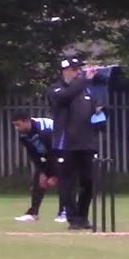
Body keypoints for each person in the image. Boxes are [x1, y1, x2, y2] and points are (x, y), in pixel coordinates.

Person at [46, 56, 100, 230]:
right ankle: (72, 218)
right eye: (75, 70)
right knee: (67, 183)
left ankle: (83, 217)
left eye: (79, 70)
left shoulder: (85, 91)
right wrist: (85, 80)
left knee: (88, 182)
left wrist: (100, 117)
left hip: (86, 143)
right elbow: (67, 96)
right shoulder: (56, 90)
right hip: (66, 144)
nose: (78, 73)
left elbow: (93, 112)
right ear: (66, 71)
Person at [10, 111, 67, 222]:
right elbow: (34, 154)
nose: (17, 128)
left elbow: (53, 152)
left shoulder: (44, 130)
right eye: (15, 126)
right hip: (48, 154)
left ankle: (64, 212)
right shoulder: (23, 135)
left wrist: (53, 175)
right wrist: (42, 172)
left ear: (26, 121)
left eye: (18, 125)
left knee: (62, 180)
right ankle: (33, 213)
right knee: (38, 181)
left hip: (63, 151)